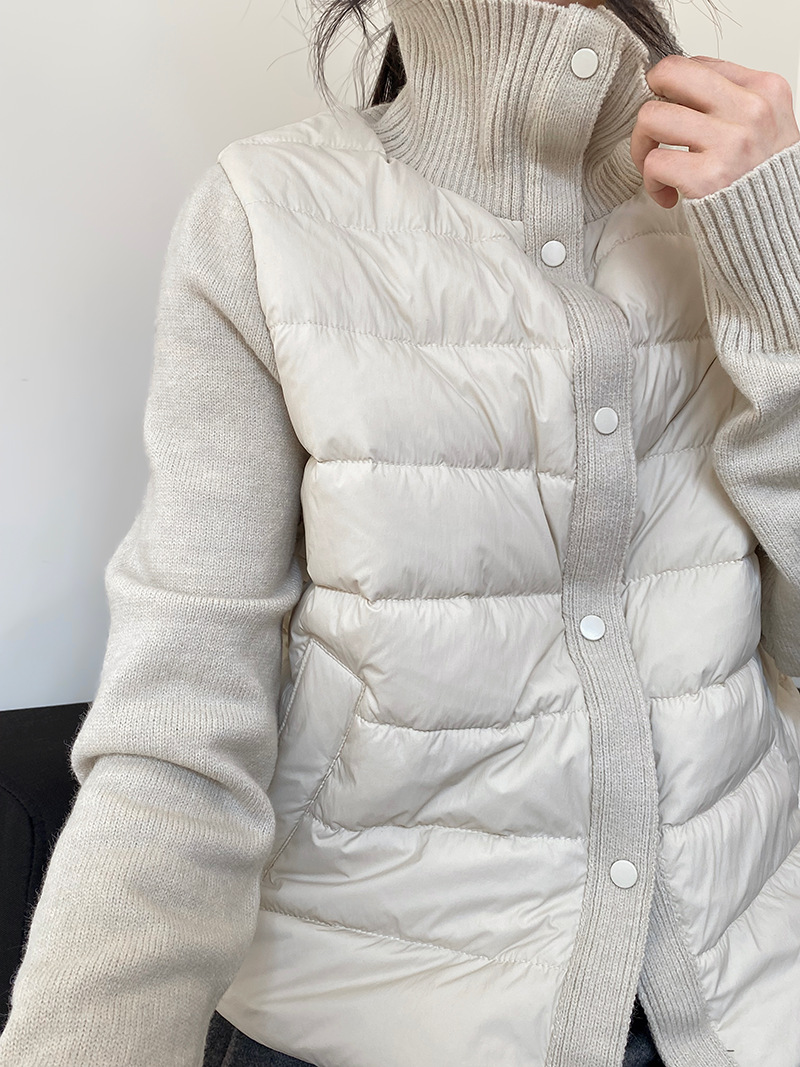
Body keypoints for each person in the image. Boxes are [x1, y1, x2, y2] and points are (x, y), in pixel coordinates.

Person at [2, 0, 800, 1062]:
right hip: (364, 1016)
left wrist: (781, 287)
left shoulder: (743, 202)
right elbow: (183, 722)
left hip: (747, 1002)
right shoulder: (266, 216)